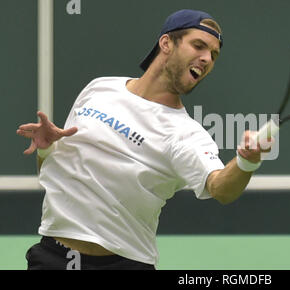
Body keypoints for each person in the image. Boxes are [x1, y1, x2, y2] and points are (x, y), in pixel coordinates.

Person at [17, 9, 271, 270]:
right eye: (199, 46)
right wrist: (47, 151)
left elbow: (221, 188)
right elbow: (52, 175)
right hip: (52, 257)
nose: (206, 58)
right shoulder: (99, 88)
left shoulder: (186, 134)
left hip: (124, 264)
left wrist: (246, 162)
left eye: (213, 55)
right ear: (166, 43)